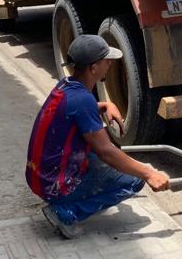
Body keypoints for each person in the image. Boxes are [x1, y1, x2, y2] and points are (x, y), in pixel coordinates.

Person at [27, 35, 170, 239]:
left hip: (39, 175)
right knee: (134, 180)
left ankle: (72, 201)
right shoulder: (83, 99)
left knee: (114, 160)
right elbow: (106, 152)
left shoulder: (66, 86)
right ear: (94, 68)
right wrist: (148, 174)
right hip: (53, 184)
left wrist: (105, 105)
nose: (110, 64)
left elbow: (73, 112)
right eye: (106, 60)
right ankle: (66, 212)